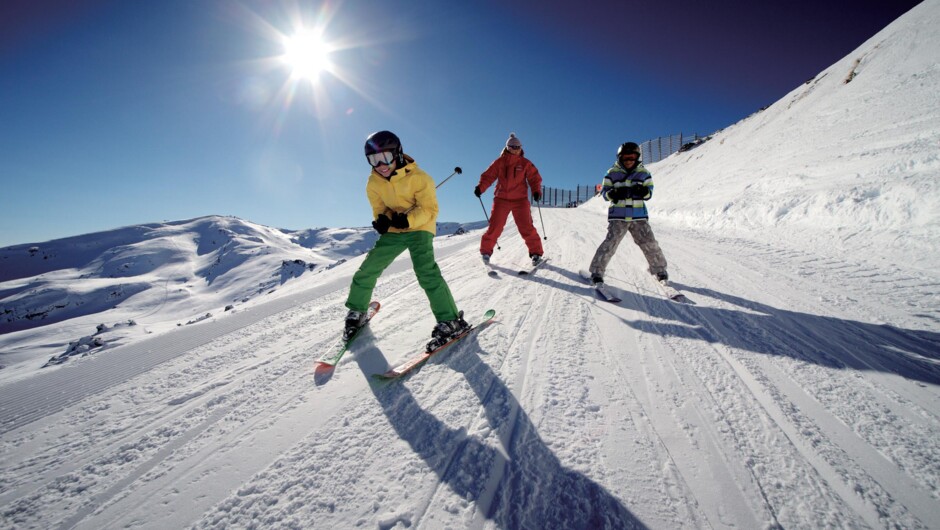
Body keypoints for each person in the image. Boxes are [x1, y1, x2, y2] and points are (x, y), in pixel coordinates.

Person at [344, 130, 469, 352]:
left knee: (425, 271)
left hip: (420, 227)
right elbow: (380, 209)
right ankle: (357, 310)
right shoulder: (373, 183)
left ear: (398, 154)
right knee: (369, 268)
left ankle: (450, 320)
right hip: (395, 230)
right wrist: (382, 220)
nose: (380, 164)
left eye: (385, 157)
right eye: (373, 160)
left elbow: (430, 210)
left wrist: (408, 220)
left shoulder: (420, 178)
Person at [588, 141, 669, 285]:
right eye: (625, 158)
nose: (629, 161)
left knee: (649, 243)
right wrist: (615, 193)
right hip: (618, 216)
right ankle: (597, 272)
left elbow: (649, 193)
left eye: (632, 157)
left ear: (637, 157)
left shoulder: (644, 173)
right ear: (620, 158)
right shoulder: (612, 173)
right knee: (611, 243)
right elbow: (605, 193)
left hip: (639, 216)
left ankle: (659, 271)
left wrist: (643, 191)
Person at [474, 133, 544, 266]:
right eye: (513, 147)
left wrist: (536, 191)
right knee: (495, 226)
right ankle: (486, 252)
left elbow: (534, 178)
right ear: (507, 147)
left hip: (520, 200)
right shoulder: (499, 162)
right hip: (501, 199)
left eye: (518, 147)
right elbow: (488, 176)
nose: (516, 149)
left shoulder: (525, 163)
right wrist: (480, 188)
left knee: (526, 226)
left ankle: (536, 253)